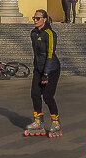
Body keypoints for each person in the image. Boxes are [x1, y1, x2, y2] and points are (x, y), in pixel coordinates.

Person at [24, 9, 62, 137]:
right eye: (34, 18)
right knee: (34, 94)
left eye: (37, 18)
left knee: (47, 96)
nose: (35, 20)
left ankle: (55, 121)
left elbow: (50, 54)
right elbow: (37, 54)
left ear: (44, 19)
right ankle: (38, 121)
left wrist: (46, 74)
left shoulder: (50, 34)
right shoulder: (33, 33)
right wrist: (38, 70)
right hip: (39, 68)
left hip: (51, 69)